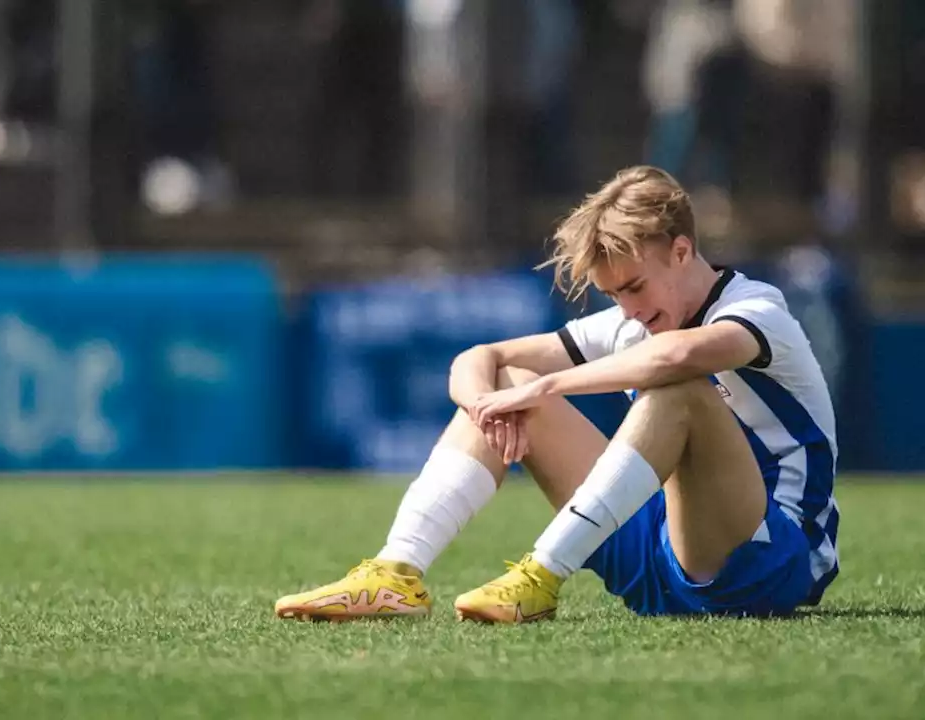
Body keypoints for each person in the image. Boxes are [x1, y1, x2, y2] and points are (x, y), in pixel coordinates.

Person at [274, 166, 839, 623]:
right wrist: (484, 405)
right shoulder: (634, 325)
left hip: (770, 559)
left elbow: (677, 358)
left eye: (635, 286)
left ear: (683, 251)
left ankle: (542, 574)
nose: (630, 309)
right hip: (660, 551)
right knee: (509, 387)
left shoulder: (757, 308)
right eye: (614, 294)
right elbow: (479, 358)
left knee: (678, 390)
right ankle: (395, 573)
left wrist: (549, 384)